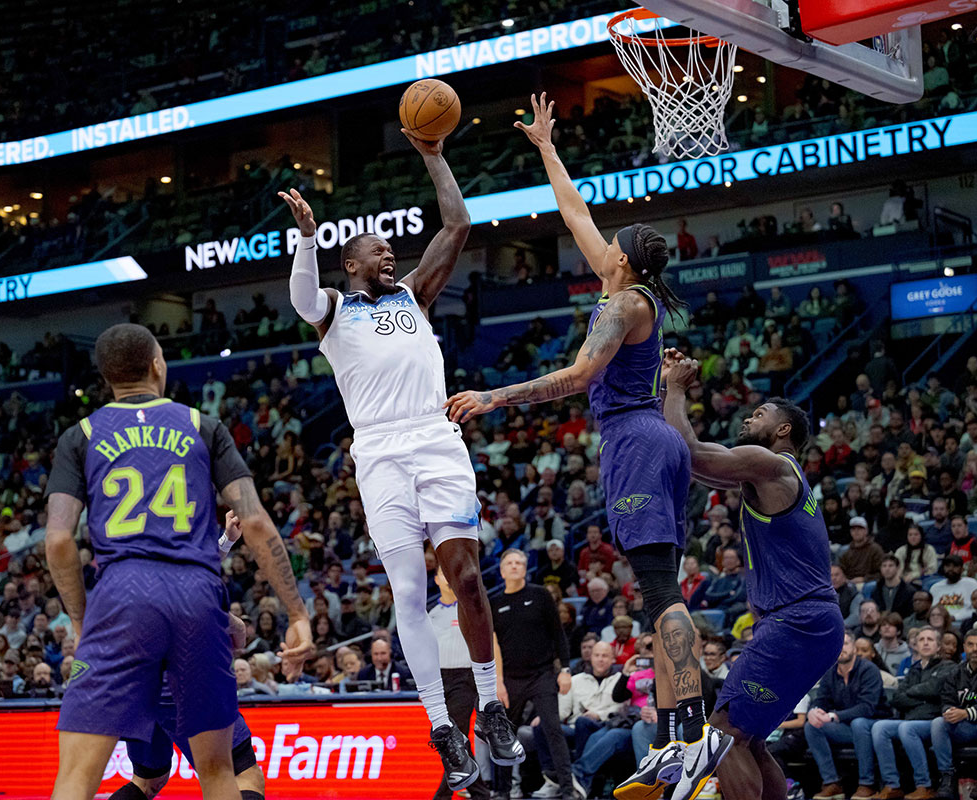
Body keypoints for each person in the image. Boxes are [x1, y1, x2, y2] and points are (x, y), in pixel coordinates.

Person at [445, 93, 719, 800]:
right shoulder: (623, 284)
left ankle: (692, 731)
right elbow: (577, 213)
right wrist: (546, 149)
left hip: (635, 435)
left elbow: (576, 376)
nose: (605, 245)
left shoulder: (627, 304)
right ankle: (667, 737)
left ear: (624, 262)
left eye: (614, 244)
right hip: (652, 438)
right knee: (658, 588)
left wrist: (495, 396)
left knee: (661, 592)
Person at [280, 124, 521, 791]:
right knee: (409, 593)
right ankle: (443, 727)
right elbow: (300, 300)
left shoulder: (414, 294)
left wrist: (434, 157)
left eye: (391, 249)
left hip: (435, 434)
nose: (389, 254)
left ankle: (491, 706)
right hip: (379, 449)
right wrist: (305, 236)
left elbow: (459, 223)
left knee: (467, 580)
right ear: (350, 263)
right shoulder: (333, 309)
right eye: (377, 250)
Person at [44, 324, 313, 800]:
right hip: (196, 593)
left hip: (120, 595)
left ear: (107, 377)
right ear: (156, 364)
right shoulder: (202, 426)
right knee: (218, 772)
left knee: (76, 779)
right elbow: (254, 522)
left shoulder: (79, 436)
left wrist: (83, 621)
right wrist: (296, 612)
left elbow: (60, 539)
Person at [663, 356, 846, 800]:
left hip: (796, 620)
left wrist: (675, 389)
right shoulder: (775, 476)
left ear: (784, 430)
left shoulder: (774, 464)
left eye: (760, 413)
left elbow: (690, 452)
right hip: (812, 623)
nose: (749, 416)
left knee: (723, 735)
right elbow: (700, 468)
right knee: (751, 738)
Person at [109, 512, 269, 800]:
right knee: (243, 777)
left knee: (149, 779)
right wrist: (231, 621)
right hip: (179, 687)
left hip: (135, 688)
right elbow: (235, 633)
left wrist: (227, 540)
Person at [491, 549, 576, 800]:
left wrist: (566, 670)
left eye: (520, 562)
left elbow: (559, 635)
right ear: (502, 570)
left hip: (542, 674)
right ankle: (503, 791)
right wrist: (498, 681)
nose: (515, 566)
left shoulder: (540, 596)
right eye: (510, 562)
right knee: (504, 735)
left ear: (526, 569)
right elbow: (492, 646)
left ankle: (568, 789)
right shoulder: (494, 603)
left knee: (553, 729)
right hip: (510, 679)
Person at [868, 626, 954, 800]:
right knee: (879, 727)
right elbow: (898, 698)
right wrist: (923, 698)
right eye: (922, 639)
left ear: (938, 646)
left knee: (907, 729)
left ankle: (924, 785)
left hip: (934, 722)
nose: (925, 643)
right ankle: (892, 785)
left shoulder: (948, 667)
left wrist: (914, 695)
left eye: (930, 640)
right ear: (915, 645)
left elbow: (935, 689)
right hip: (911, 719)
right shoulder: (913, 668)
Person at [428, 567, 491, 800]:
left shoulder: (468, 609)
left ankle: (444, 795)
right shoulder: (431, 614)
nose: (447, 576)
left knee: (456, 736)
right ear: (435, 580)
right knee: (453, 740)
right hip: (438, 680)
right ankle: (479, 791)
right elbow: (426, 653)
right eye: (442, 573)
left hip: (465, 677)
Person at [804, 632, 889, 800]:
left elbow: (867, 708)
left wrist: (834, 716)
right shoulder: (830, 672)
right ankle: (832, 783)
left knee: (859, 723)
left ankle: (867, 784)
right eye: (837, 644)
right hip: (846, 726)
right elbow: (821, 700)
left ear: (854, 649)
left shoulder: (868, 670)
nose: (841, 648)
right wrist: (814, 711)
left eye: (845, 644)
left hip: (874, 724)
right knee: (812, 726)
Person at [930, 628, 977, 800]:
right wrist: (949, 711)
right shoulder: (955, 672)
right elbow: (946, 698)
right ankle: (947, 777)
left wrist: (967, 713)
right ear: (964, 648)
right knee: (939, 723)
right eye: (970, 645)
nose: (975, 649)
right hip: (966, 729)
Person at [930, 554, 977, 623]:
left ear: (962, 569)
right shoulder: (935, 588)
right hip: (941, 622)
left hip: (964, 622)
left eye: (955, 566)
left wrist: (955, 617)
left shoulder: (971, 584)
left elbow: (976, 610)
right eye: (948, 566)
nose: (951, 569)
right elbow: (933, 610)